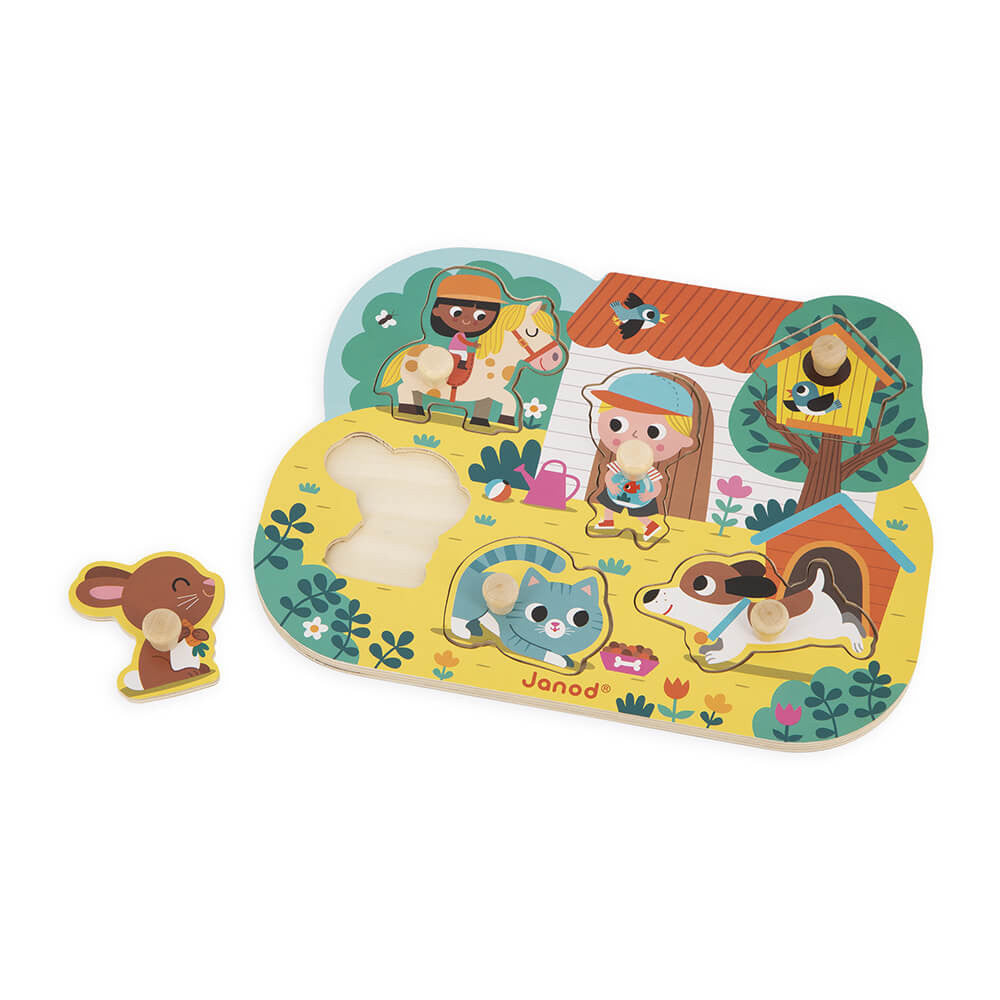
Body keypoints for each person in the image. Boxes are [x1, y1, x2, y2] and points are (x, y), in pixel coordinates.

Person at [590, 372, 695, 541]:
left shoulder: (648, 469)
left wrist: (650, 495)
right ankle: (608, 521)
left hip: (639, 497)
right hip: (616, 492)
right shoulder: (620, 463)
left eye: (654, 432)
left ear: (683, 440)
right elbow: (610, 475)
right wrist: (610, 484)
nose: (635, 435)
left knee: (640, 513)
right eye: (617, 424)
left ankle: (650, 526)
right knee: (609, 505)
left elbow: (656, 485)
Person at [428, 273, 503, 373]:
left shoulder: (461, 334)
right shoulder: (460, 335)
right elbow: (463, 341)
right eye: (457, 313)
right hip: (456, 350)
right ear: (437, 311)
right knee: (464, 356)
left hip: (457, 349)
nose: (466, 320)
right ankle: (461, 365)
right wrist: (472, 344)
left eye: (480, 316)